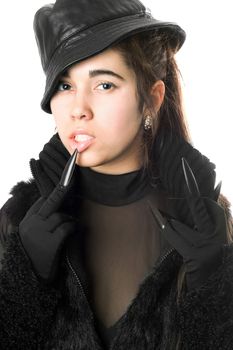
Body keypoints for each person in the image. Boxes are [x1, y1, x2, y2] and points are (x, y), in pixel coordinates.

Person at [0, 0, 232, 349]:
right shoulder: (22, 221)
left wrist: (215, 290)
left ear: (152, 99)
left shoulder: (207, 224)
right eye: (64, 86)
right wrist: (24, 278)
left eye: (104, 85)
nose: (78, 109)